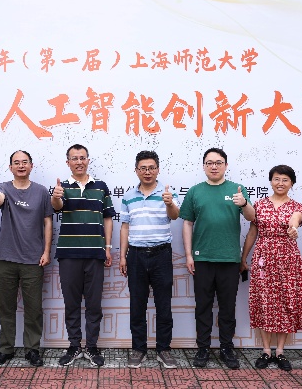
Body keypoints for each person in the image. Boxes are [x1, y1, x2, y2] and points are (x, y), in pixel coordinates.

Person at [180, 147, 255, 369]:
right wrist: (189, 255)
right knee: (202, 306)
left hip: (229, 259)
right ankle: (203, 348)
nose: (214, 166)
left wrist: (244, 203)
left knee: (227, 307)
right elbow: (187, 223)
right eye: (210, 163)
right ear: (204, 166)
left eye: (218, 162)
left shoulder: (237, 189)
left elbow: (252, 218)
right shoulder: (195, 191)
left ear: (226, 165)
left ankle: (226, 348)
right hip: (202, 258)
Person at [240, 165, 302, 372]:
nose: (280, 183)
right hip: (263, 258)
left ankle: (280, 351)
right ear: (271, 181)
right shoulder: (259, 205)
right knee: (265, 301)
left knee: (286, 301)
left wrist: (293, 228)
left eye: (285, 180)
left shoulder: (297, 206)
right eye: (277, 179)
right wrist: (243, 258)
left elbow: (295, 220)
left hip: (288, 259)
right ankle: (265, 350)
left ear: (292, 183)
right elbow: (252, 233)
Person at [51, 144, 115, 367]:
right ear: (67, 162)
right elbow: (57, 206)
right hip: (68, 254)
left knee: (94, 304)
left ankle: (92, 346)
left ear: (88, 160)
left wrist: (107, 247)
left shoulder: (101, 187)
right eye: (74, 158)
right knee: (71, 303)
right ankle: (74, 345)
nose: (79, 162)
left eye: (82, 158)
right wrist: (56, 196)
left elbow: (108, 218)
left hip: (95, 253)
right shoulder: (61, 188)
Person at [0, 151, 53, 368]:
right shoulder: (3, 187)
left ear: (31, 165)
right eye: (16, 163)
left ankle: (32, 349)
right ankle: (5, 349)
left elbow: (47, 222)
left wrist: (46, 251)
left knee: (33, 308)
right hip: (6, 258)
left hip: (33, 259)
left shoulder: (41, 191)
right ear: (10, 168)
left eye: (25, 162)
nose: (21, 166)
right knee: (6, 307)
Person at [119, 151, 180, 369]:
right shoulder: (128, 196)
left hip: (161, 254)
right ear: (136, 170)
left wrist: (169, 203)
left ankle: (164, 349)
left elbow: (175, 216)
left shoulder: (168, 193)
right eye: (143, 168)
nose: (147, 172)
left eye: (151, 168)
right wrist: (122, 256)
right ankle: (139, 349)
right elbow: (125, 227)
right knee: (137, 304)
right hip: (135, 255)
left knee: (164, 304)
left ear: (158, 169)